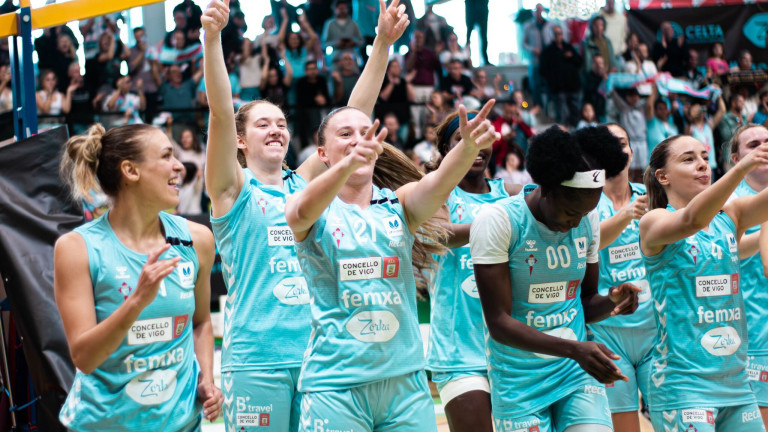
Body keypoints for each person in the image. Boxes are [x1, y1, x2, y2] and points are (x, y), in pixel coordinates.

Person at [202, 0, 409, 430]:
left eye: (281, 123)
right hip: (257, 360)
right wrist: (212, 36)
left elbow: (354, 117)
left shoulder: (304, 185)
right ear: (240, 141)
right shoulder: (230, 189)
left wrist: (383, 46)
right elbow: (221, 112)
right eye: (262, 124)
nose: (276, 129)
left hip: (320, 359)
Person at [285, 80, 498, 430]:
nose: (357, 140)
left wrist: (466, 149)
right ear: (322, 153)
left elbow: (440, 181)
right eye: (345, 134)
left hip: (406, 385)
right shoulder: (312, 206)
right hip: (336, 386)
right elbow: (298, 214)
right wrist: (345, 167)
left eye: (363, 132)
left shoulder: (399, 204)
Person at [469, 125, 639, 432]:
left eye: (584, 214)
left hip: (575, 372)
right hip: (519, 381)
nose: (575, 223)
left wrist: (612, 300)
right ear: (546, 189)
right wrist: (574, 348)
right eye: (569, 213)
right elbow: (499, 323)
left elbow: (584, 301)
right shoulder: (498, 221)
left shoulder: (587, 219)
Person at [54, 123, 223, 431]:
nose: (178, 166)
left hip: (182, 423)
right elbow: (85, 358)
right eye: (166, 156)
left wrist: (206, 379)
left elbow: (200, 322)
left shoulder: (197, 240)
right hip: (104, 424)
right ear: (131, 170)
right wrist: (136, 302)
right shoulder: (77, 248)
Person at [639, 132, 768, 432]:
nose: (701, 165)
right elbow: (692, 221)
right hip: (683, 387)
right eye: (689, 159)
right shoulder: (653, 221)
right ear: (663, 176)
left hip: (736, 384)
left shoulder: (730, 215)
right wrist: (741, 168)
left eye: (706, 158)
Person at [426, 110, 522, 432]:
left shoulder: (507, 194)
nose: (477, 146)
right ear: (446, 149)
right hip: (458, 351)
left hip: (512, 346)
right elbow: (439, 235)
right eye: (463, 138)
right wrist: (488, 224)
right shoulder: (436, 193)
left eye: (485, 138)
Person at [588, 124, 652, 432]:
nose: (619, 149)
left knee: (675, 420)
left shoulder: (651, 197)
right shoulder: (586, 204)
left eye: (623, 142)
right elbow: (586, 244)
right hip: (607, 331)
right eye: (611, 143)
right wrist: (626, 214)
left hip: (655, 329)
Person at [730, 125, 768, 431]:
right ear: (736, 159)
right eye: (754, 144)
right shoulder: (728, 205)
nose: (764, 147)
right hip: (755, 342)